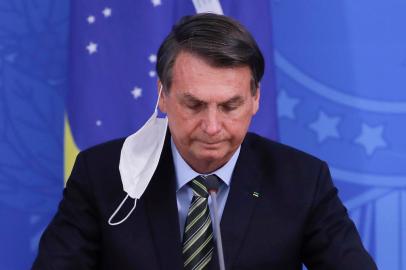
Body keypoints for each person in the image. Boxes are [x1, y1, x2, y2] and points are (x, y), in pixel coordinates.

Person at [33, 13, 377, 270]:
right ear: (163, 96)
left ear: (256, 99)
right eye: (194, 104)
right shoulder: (103, 174)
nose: (212, 127)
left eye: (230, 106)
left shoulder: (302, 180)